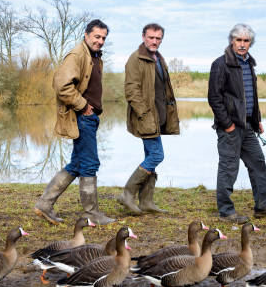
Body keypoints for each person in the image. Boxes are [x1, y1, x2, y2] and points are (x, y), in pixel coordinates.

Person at [33, 19, 115, 226]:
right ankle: (91, 213)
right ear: (86, 35)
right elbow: (61, 84)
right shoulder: (78, 54)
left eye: (103, 38)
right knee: (89, 164)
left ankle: (44, 204)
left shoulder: (94, 56)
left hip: (90, 117)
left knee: (77, 164)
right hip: (82, 117)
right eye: (97, 36)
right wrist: (82, 105)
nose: (100, 41)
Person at [207, 23, 266, 223]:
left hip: (248, 127)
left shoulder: (250, 64)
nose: (242, 44)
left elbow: (251, 96)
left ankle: (262, 206)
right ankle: (226, 212)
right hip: (230, 129)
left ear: (250, 43)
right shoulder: (220, 64)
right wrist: (227, 125)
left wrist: (256, 119)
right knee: (228, 168)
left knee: (258, 163)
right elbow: (214, 98)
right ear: (232, 41)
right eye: (239, 40)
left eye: (246, 41)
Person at [117, 23, 180, 214]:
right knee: (156, 155)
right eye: (151, 37)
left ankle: (146, 202)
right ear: (143, 36)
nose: (154, 41)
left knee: (150, 156)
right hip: (146, 117)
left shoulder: (159, 58)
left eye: (158, 38)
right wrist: (144, 114)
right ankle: (127, 194)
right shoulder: (135, 59)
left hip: (158, 117)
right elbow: (131, 90)